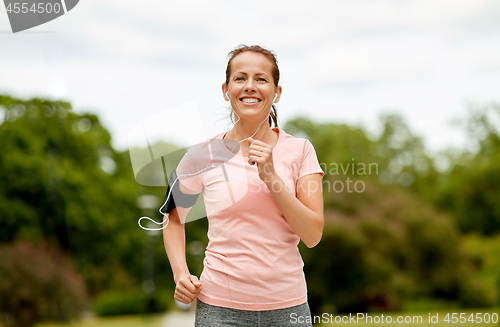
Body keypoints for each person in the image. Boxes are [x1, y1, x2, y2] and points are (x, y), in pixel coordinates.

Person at [162, 45, 324, 327]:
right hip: (219, 310)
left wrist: (271, 176)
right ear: (226, 90)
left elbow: (312, 234)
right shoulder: (201, 155)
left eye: (261, 79)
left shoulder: (301, 150)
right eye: (240, 78)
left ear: (277, 92)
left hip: (289, 310)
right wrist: (180, 273)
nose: (250, 86)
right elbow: (173, 218)